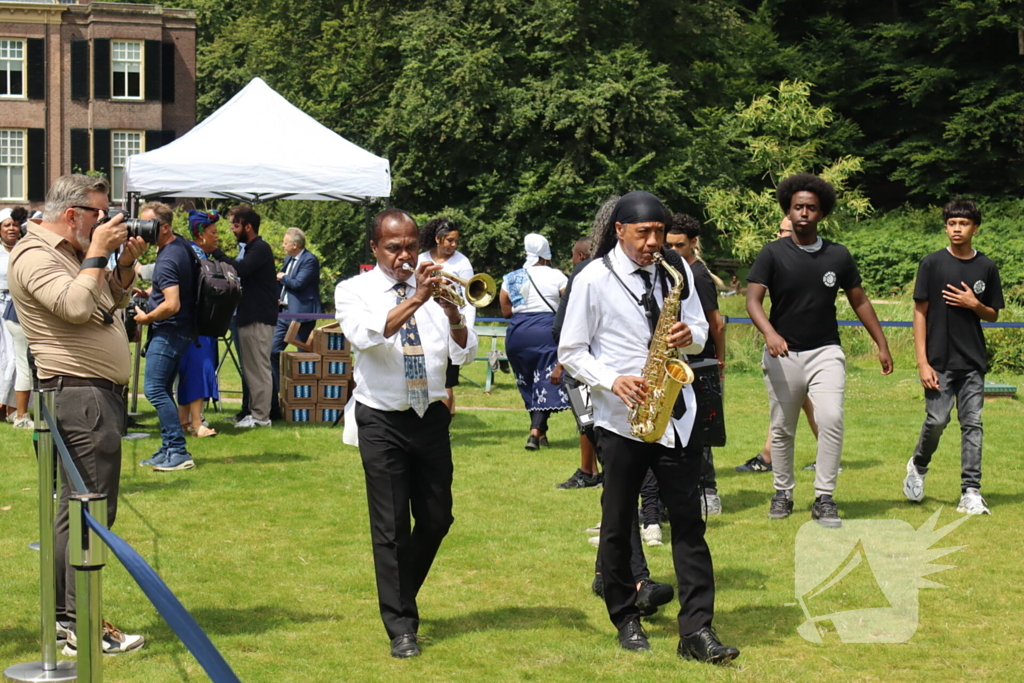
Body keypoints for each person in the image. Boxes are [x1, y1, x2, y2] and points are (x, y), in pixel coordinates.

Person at [559, 190, 739, 662]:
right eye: (644, 233)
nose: (653, 242)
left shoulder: (674, 274)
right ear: (619, 231)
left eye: (659, 233)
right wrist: (612, 380)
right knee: (618, 522)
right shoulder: (593, 279)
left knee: (689, 525)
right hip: (621, 419)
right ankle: (625, 615)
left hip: (676, 416)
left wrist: (688, 335)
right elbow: (571, 352)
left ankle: (697, 630)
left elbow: (700, 331)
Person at [9, 173, 147, 654]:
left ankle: (73, 619)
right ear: (73, 215)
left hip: (93, 394)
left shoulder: (68, 254)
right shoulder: (32, 255)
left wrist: (122, 263)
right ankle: (79, 626)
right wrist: (97, 254)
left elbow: (108, 303)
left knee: (82, 511)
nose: (108, 222)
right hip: (77, 395)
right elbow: (72, 306)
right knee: (88, 513)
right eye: (100, 214)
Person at [335, 209, 478, 658]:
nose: (405, 255)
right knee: (392, 525)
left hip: (431, 415)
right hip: (381, 417)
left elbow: (467, 352)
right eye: (394, 247)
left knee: (438, 519)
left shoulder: (442, 285)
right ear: (375, 248)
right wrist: (417, 298)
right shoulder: (353, 290)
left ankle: (400, 593)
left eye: (411, 245)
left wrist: (454, 310)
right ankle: (401, 626)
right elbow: (366, 337)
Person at [746, 173, 893, 528]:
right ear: (789, 210)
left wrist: (882, 343)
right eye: (798, 207)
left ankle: (824, 497)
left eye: (811, 208)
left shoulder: (838, 255)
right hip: (784, 355)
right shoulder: (772, 253)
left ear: (822, 214)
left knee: (830, 418)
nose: (804, 213)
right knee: (782, 427)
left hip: (826, 351)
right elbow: (752, 300)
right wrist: (770, 333)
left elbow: (859, 301)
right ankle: (783, 492)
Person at [903, 199, 1003, 515]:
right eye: (951, 223)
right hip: (938, 361)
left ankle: (970, 492)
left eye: (963, 224)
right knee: (937, 420)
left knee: (972, 424)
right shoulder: (931, 264)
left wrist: (974, 304)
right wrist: (922, 361)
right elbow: (920, 313)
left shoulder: (986, 266)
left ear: (975, 228)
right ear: (946, 227)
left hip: (972, 362)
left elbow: (993, 315)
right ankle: (918, 465)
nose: (956, 229)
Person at [735, 217, 820, 473]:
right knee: (797, 401)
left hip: (798, 346)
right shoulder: (777, 256)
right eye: (783, 230)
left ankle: (771, 458)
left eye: (784, 231)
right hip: (783, 343)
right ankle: (772, 455)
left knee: (793, 402)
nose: (780, 234)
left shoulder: (806, 260)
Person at [130, 202, 199, 471]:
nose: (142, 230)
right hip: (179, 329)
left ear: (165, 227)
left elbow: (172, 304)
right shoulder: (178, 246)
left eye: (148, 225)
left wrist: (146, 317)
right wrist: (150, 294)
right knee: (163, 389)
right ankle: (168, 447)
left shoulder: (169, 256)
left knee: (155, 390)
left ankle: (179, 451)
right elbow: (175, 290)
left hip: (170, 329)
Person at [665, 214, 725, 515]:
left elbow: (716, 323)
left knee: (701, 431)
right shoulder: (675, 270)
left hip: (700, 360)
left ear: (694, 244)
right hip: (687, 358)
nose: (673, 251)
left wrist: (719, 361)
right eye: (669, 245)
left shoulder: (697, 276)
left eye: (680, 245)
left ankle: (709, 492)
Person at [500, 233, 570, 449]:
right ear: (546, 253)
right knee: (546, 381)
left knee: (529, 382)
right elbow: (569, 303)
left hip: (517, 334)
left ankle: (541, 433)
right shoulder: (557, 275)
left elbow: (505, 310)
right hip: (545, 332)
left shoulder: (511, 277)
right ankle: (534, 432)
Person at [211, 205, 278, 427]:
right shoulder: (252, 248)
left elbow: (239, 270)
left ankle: (261, 416)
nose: (232, 228)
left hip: (258, 317)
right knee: (251, 369)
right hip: (249, 315)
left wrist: (217, 253)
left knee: (258, 368)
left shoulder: (260, 248)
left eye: (236, 225)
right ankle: (254, 412)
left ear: (248, 226)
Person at [552, 236, 601, 489]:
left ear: (581, 256)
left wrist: (561, 363)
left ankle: (589, 472)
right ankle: (591, 471)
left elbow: (565, 327)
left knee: (586, 418)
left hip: (582, 364)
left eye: (573, 255)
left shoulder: (583, 272)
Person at [418, 218, 475, 416]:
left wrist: (467, 329)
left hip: (451, 323)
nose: (453, 245)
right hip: (426, 324)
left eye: (456, 241)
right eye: (449, 240)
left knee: (447, 379)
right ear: (437, 239)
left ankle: (444, 421)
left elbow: (470, 298)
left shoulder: (462, 262)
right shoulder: (421, 260)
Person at [176, 210, 222, 439]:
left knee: (189, 371)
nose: (217, 236)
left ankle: (183, 421)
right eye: (213, 232)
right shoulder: (195, 258)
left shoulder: (192, 254)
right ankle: (196, 422)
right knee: (198, 369)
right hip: (197, 325)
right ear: (201, 234)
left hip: (191, 325)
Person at [271, 227, 322, 420]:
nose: (282, 246)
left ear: (295, 245)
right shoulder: (288, 260)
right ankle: (275, 397)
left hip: (302, 315)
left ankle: (305, 404)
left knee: (303, 358)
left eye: (285, 243)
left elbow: (299, 283)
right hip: (284, 313)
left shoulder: (309, 260)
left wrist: (282, 276)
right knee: (272, 351)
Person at [1, 207, 28, 425]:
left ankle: (13, 407)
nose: (11, 228)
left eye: (14, 224)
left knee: (15, 357)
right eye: (6, 225)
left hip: (17, 307)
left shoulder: (25, 248)